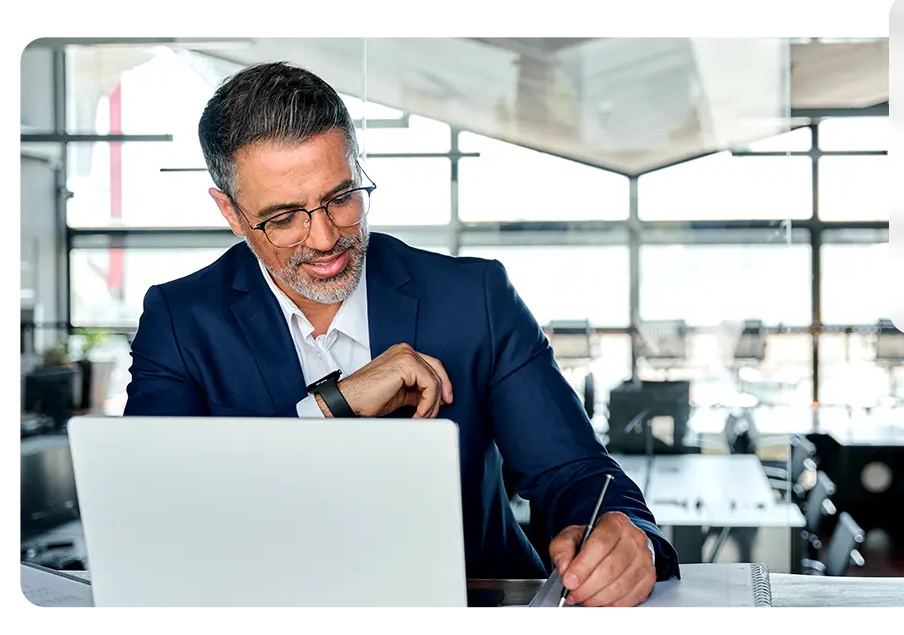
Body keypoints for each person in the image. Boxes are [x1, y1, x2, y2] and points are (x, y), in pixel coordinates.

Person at [123, 61, 678, 608]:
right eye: (284, 217)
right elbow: (157, 515)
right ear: (230, 210)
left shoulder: (474, 298)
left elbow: (575, 471)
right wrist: (333, 407)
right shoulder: (180, 319)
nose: (323, 239)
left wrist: (629, 538)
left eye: (341, 197)